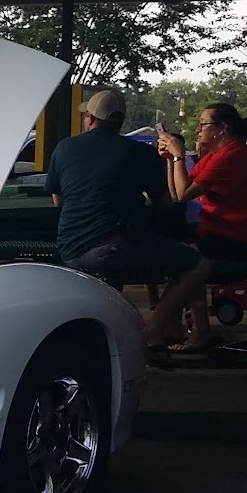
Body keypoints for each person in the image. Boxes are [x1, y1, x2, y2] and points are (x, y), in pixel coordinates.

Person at [44, 88, 209, 352]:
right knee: (198, 264)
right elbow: (166, 203)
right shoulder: (138, 152)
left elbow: (58, 201)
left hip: (69, 248)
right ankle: (151, 328)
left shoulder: (65, 148)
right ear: (119, 122)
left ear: (90, 119)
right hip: (115, 247)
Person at [156, 102, 247, 351]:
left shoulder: (232, 156)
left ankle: (195, 330)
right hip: (230, 232)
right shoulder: (219, 156)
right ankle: (180, 327)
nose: (198, 130)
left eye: (203, 124)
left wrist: (178, 156)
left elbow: (183, 193)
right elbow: (178, 193)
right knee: (178, 248)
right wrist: (169, 160)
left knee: (187, 258)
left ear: (221, 129)